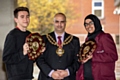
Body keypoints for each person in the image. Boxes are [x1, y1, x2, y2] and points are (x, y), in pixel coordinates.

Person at [36, 13, 80, 80]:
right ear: (53, 22)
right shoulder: (44, 39)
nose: (59, 24)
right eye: (57, 22)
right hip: (47, 78)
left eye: (62, 22)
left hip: (68, 78)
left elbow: (78, 61)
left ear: (65, 23)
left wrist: (67, 72)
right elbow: (39, 60)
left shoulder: (74, 41)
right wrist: (51, 73)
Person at [76, 14, 118, 80]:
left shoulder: (104, 37)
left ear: (96, 23)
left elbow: (113, 56)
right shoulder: (88, 39)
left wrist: (93, 56)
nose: (88, 26)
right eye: (86, 24)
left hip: (101, 77)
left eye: (91, 23)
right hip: (87, 77)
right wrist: (81, 58)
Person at [2, 7, 34, 80]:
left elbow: (31, 58)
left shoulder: (30, 35)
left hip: (28, 76)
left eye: (27, 16)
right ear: (16, 20)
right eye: (22, 17)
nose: (25, 19)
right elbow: (6, 59)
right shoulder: (12, 36)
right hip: (16, 78)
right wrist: (22, 53)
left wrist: (39, 52)